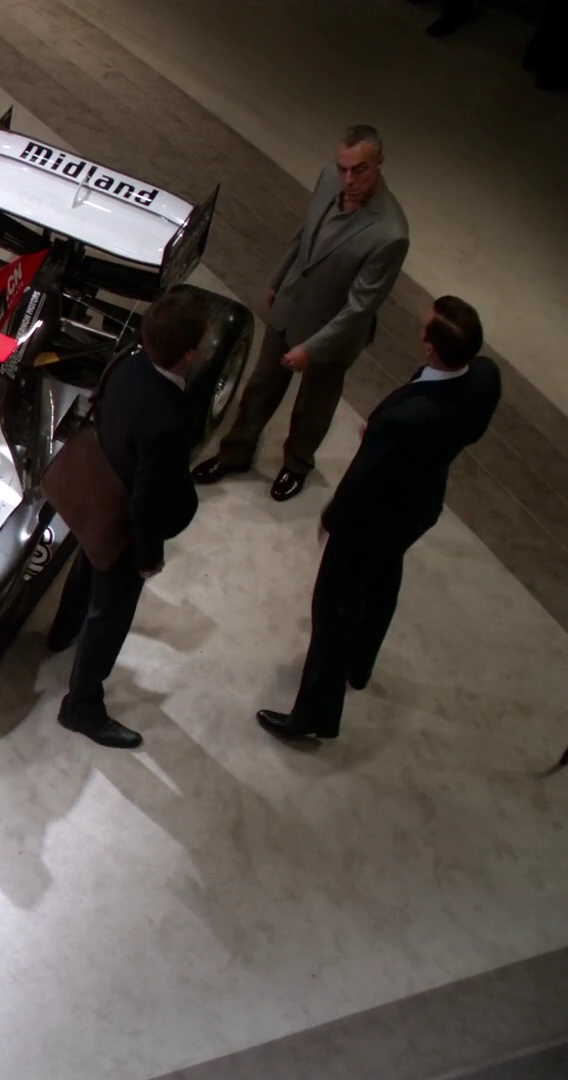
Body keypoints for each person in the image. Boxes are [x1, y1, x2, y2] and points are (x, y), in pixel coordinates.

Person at [257, 297, 501, 743]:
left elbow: (363, 478)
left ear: (430, 348)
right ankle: (360, 661)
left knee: (333, 609)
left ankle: (314, 714)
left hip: (370, 519)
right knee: (384, 578)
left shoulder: (407, 418)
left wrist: (332, 517)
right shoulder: (485, 377)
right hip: (418, 507)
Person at [192, 126, 410, 502]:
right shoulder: (328, 179)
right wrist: (279, 280)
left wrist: (313, 348)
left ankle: (296, 465)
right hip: (292, 306)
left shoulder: (390, 233)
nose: (348, 180)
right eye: (343, 169)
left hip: (333, 332)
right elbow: (304, 233)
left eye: (359, 170)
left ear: (379, 163)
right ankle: (235, 452)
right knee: (261, 386)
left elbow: (360, 306)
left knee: (314, 406)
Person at [50, 289, 209, 750]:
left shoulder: (128, 361)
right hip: (120, 522)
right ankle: (81, 706)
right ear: (190, 353)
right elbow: (148, 501)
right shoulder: (170, 421)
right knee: (110, 615)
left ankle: (62, 631)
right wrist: (148, 556)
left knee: (87, 560)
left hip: (93, 490)